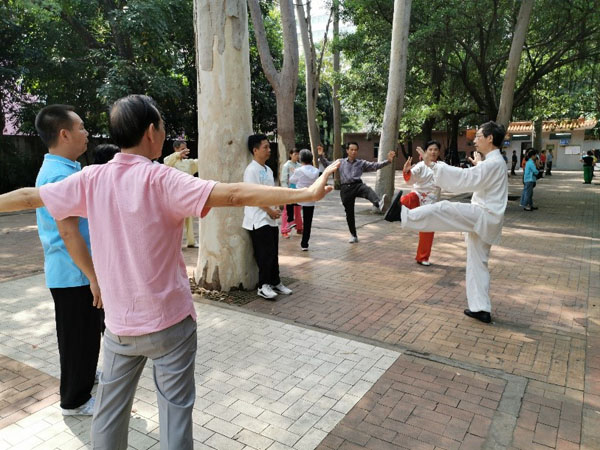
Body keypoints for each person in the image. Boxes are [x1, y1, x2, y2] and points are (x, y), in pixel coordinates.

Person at [0, 95, 339, 449]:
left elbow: (28, 197)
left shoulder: (91, 179)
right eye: (163, 126)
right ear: (151, 132)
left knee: (109, 417)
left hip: (119, 328)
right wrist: (307, 192)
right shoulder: (163, 179)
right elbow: (235, 194)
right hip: (171, 325)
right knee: (175, 417)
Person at [395, 121, 508, 324]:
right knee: (477, 264)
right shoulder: (493, 162)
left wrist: (434, 165)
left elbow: (465, 179)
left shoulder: (493, 163)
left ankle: (402, 215)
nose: (475, 139)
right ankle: (481, 308)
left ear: (490, 138)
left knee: (445, 209)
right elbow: (477, 176)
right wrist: (478, 165)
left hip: (483, 215)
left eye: (479, 135)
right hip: (486, 218)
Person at [33, 105, 103, 416]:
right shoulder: (58, 175)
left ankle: (85, 378)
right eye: (82, 127)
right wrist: (94, 276)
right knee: (77, 339)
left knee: (87, 333)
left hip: (77, 272)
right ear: (64, 134)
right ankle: (74, 400)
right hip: (73, 274)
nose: (87, 133)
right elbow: (69, 232)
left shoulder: (67, 168)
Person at [243, 134, 296, 300]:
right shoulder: (251, 170)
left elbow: (271, 193)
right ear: (255, 150)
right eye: (265, 147)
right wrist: (269, 211)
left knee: (273, 252)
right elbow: (252, 196)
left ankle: (275, 282)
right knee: (264, 254)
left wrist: (277, 207)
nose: (268, 150)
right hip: (257, 220)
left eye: (269, 147)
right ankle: (263, 286)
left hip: (270, 219)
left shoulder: (268, 170)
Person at [318, 142, 395, 243]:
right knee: (349, 214)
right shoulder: (340, 162)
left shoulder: (361, 163)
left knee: (367, 189)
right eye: (351, 149)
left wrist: (388, 161)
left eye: (355, 150)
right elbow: (327, 165)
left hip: (357, 185)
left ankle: (379, 203)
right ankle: (353, 235)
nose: (353, 152)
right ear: (347, 151)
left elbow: (375, 165)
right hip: (345, 188)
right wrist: (320, 155)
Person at [400, 140, 442, 266]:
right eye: (430, 149)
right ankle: (395, 211)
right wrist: (407, 171)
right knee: (407, 199)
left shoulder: (442, 167)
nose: (433, 152)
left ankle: (422, 257)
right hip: (418, 196)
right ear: (425, 152)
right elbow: (410, 179)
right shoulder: (420, 165)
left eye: (435, 149)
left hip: (431, 202)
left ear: (439, 152)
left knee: (428, 230)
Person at [163, 140, 199, 248]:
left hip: (187, 194)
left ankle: (191, 242)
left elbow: (200, 162)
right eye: (182, 149)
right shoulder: (170, 161)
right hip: (174, 195)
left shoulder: (188, 163)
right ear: (176, 149)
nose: (184, 151)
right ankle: (172, 243)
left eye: (185, 148)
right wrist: (178, 155)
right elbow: (166, 162)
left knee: (189, 218)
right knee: (176, 220)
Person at [290, 149, 320, 250]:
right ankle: (304, 244)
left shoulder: (299, 170)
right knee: (308, 222)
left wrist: (294, 173)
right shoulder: (316, 171)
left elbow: (292, 180)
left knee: (289, 203)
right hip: (310, 197)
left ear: (301, 159)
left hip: (299, 195)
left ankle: (290, 219)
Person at [280, 148, 303, 239]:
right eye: (295, 154)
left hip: (298, 190)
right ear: (290, 155)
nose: (296, 156)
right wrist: (286, 191)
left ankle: (299, 227)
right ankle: (285, 230)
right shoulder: (286, 166)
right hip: (289, 191)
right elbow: (283, 179)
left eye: (298, 154)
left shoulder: (300, 165)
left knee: (297, 209)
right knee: (287, 211)